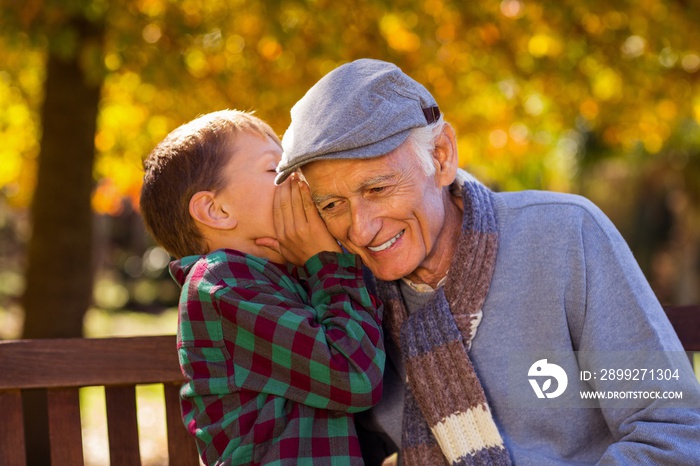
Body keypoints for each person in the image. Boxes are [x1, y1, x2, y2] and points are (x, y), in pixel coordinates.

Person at [272, 59, 700, 465]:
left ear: (441, 157)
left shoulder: (563, 236)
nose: (361, 230)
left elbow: (671, 429)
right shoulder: (349, 301)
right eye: (332, 204)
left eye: (378, 189)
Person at [139, 109, 385, 465]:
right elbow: (355, 375)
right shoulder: (221, 284)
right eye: (275, 169)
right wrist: (327, 262)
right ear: (216, 211)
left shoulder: (287, 276)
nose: (297, 178)